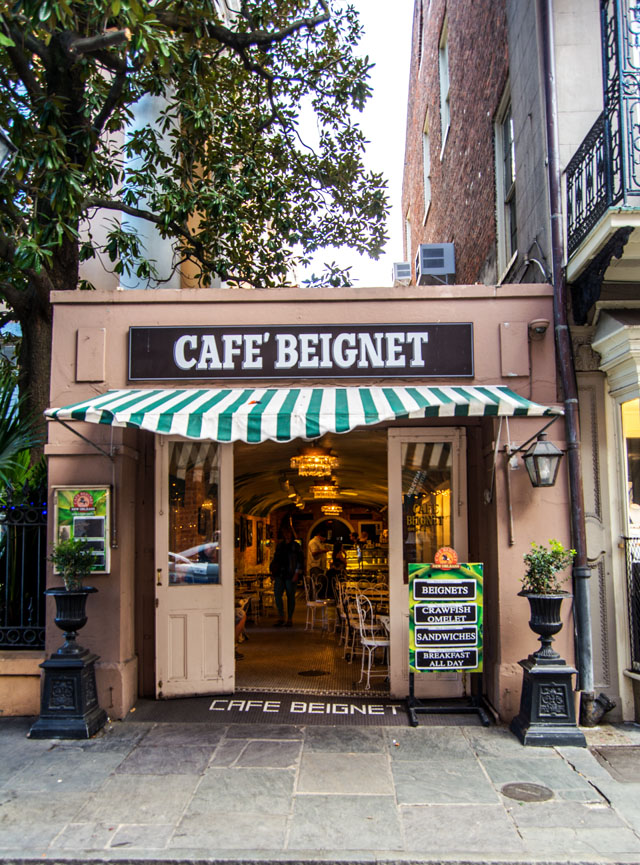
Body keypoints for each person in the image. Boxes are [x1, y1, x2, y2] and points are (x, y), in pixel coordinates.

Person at [269, 524, 303, 627]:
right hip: (280, 573)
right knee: (277, 594)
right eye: (285, 533)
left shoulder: (296, 546)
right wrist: (272, 571)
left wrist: (297, 573)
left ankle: (289, 618)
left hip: (291, 573)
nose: (287, 535)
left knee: (290, 596)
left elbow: (300, 561)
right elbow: (276, 558)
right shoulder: (280, 545)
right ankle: (281, 616)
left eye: (289, 533)